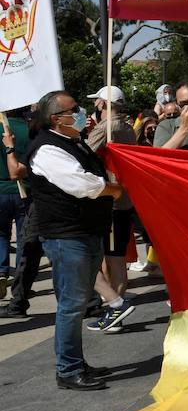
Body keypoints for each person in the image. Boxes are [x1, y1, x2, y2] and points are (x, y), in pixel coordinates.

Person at [24, 91, 125, 390]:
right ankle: (67, 369)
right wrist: (112, 189)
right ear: (57, 118)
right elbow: (81, 184)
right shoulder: (47, 149)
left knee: (79, 303)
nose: (80, 112)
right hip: (67, 236)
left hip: (84, 232)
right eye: (74, 109)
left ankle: (75, 361)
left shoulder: (73, 141)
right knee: (71, 305)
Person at [83, 86, 138, 333]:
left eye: (97, 101)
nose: (95, 104)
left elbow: (84, 155)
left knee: (114, 260)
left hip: (111, 202)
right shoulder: (126, 126)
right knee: (114, 259)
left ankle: (116, 311)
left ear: (103, 103)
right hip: (122, 199)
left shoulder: (107, 127)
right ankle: (114, 309)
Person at [1, 107, 29, 301]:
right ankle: (21, 281)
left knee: (1, 234)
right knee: (23, 237)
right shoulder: (29, 129)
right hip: (23, 189)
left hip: (1, 190)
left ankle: (1, 272)